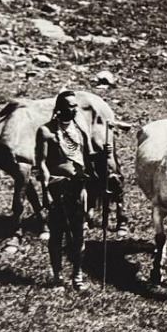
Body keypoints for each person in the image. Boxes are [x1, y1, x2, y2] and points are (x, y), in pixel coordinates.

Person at [33, 90, 101, 291]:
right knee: (57, 233)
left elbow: (88, 158)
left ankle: (77, 275)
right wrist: (46, 190)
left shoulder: (79, 131)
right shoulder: (46, 132)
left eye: (75, 106)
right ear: (59, 108)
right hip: (57, 188)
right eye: (70, 106)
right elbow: (41, 163)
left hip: (78, 188)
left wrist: (102, 156)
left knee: (78, 234)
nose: (74, 109)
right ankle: (57, 277)